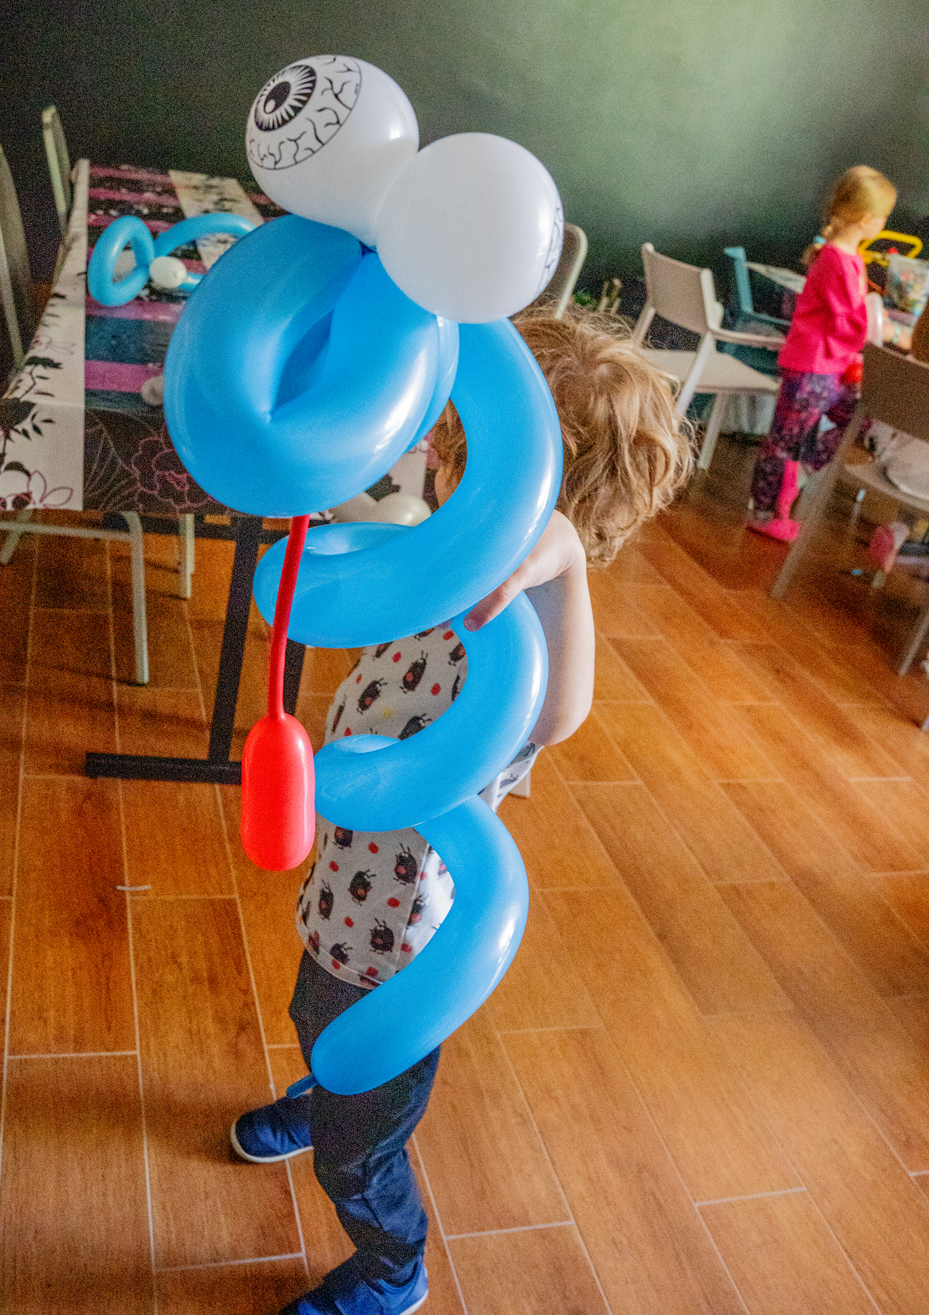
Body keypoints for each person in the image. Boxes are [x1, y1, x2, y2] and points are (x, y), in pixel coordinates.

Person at [230, 304, 694, 1315]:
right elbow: (359, 526)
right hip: (347, 878)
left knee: (360, 1148)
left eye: (458, 443)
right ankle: (328, 1090)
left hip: (402, 931)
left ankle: (390, 1267)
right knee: (316, 1012)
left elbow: (562, 716)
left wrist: (561, 564)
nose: (435, 454)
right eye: (447, 432)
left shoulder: (524, 623)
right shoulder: (436, 559)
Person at [747, 165, 897, 542]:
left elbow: (850, 317)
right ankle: (765, 512)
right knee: (785, 441)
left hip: (833, 367)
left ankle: (800, 473)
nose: (883, 224)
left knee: (858, 419)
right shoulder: (834, 260)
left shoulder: (851, 258)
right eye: (883, 218)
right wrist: (885, 329)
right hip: (811, 368)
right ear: (866, 220)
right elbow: (847, 321)